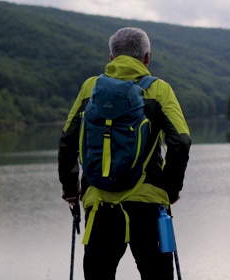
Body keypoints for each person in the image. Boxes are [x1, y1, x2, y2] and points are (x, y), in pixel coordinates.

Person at [58, 27, 191, 280]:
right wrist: (170, 189)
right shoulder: (159, 90)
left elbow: (67, 140)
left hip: (99, 205)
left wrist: (70, 190)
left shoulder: (90, 88)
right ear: (147, 58)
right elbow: (181, 141)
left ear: (111, 58)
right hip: (149, 206)